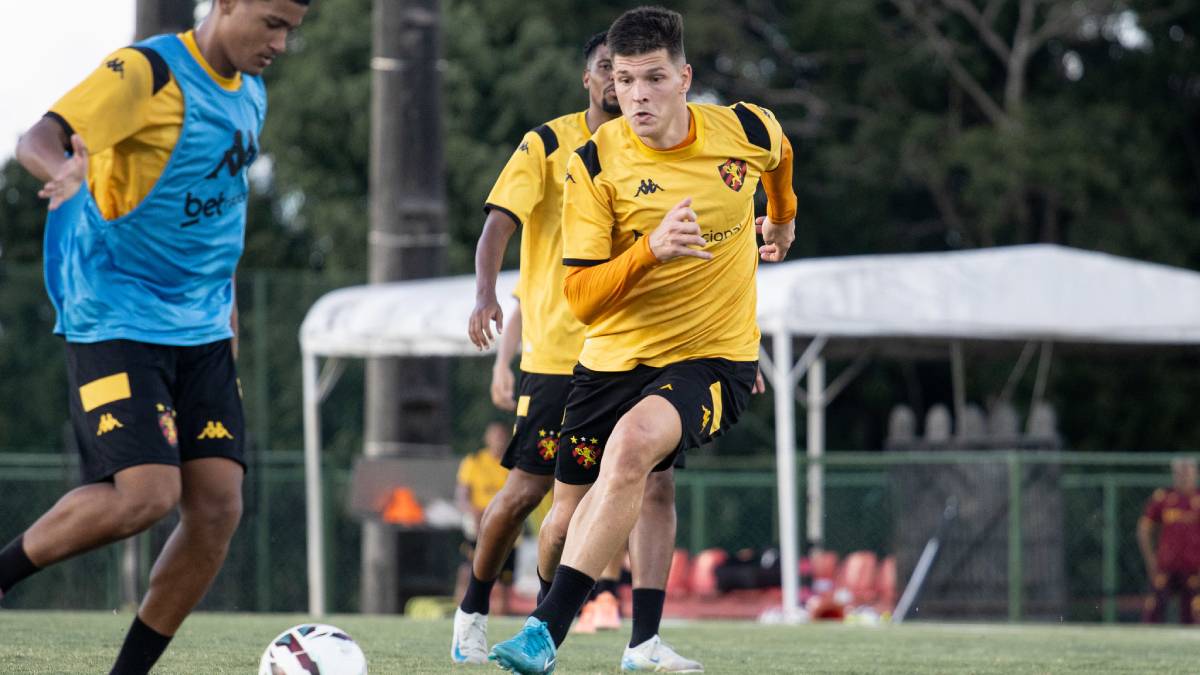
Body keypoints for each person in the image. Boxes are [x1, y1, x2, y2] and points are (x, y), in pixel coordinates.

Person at [0, 2, 309, 673]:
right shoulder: (148, 72)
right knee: (146, 494)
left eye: (292, 28)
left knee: (218, 509)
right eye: (271, 23)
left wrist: (227, 325)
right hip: (113, 312)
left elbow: (222, 218)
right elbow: (38, 136)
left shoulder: (250, 93)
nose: (281, 43)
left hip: (201, 331)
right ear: (225, 3)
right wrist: (64, 170)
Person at [489, 6, 795, 674]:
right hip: (610, 358)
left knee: (635, 458)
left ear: (684, 78)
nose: (638, 95)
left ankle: (553, 634)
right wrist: (650, 251)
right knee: (565, 520)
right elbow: (581, 298)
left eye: (654, 78)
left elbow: (781, 154)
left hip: (714, 358)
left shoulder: (742, 128)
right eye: (625, 80)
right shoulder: (594, 163)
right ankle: (560, 604)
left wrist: (782, 219)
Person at [457, 32, 683, 667]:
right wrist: (485, 295)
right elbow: (499, 223)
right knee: (536, 497)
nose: (621, 83)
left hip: (642, 349)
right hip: (561, 354)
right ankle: (477, 607)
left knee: (655, 490)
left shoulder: (655, 149)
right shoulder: (548, 145)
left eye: (634, 73)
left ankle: (643, 642)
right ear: (589, 80)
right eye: (609, 71)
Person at [455, 422, 520, 615]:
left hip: (505, 520)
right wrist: (473, 512)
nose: (498, 440)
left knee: (505, 578)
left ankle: (501, 618)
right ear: (487, 438)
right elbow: (461, 496)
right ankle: (461, 612)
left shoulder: (513, 463)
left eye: (501, 436)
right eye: (495, 436)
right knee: (468, 571)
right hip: (478, 523)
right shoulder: (473, 461)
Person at [1138, 458, 1200, 624]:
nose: (1183, 476)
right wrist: (1151, 560)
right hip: (1166, 567)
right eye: (1179, 472)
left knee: (1193, 617)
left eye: (1187, 472)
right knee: (1152, 613)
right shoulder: (1163, 498)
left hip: (1194, 569)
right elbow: (1144, 529)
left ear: (1195, 474)